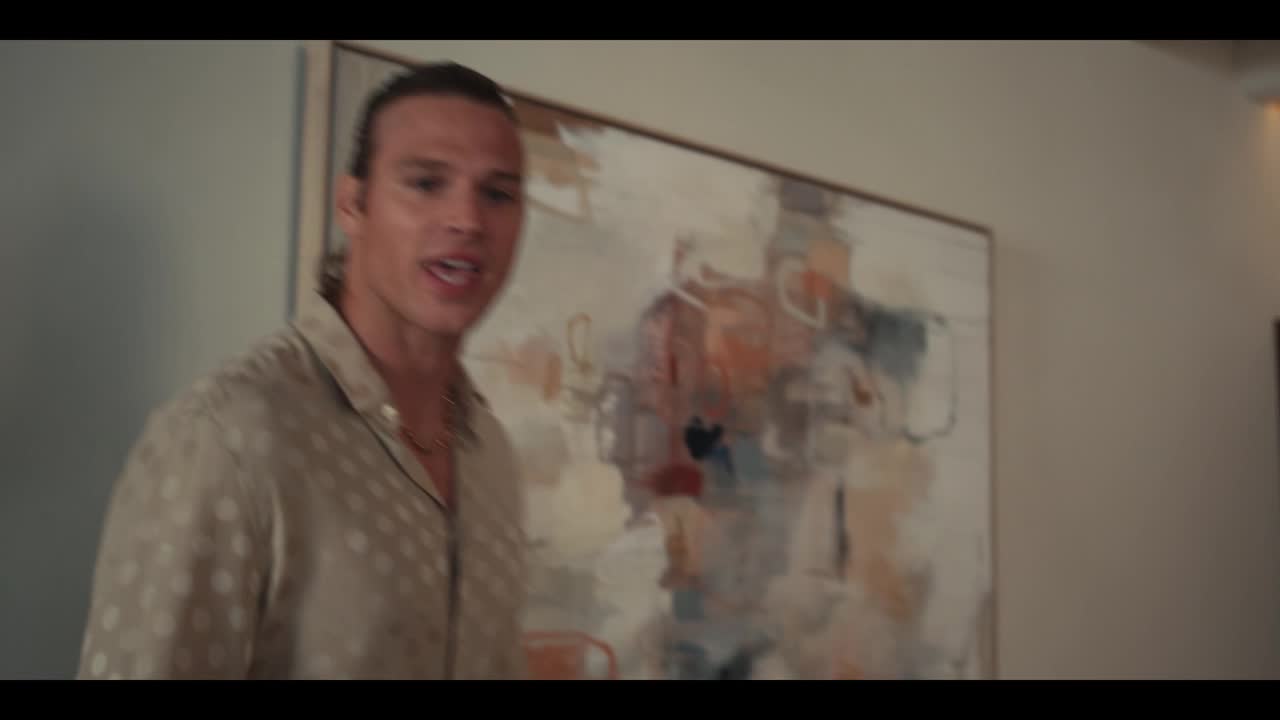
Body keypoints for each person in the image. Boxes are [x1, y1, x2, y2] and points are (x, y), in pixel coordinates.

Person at [75, 61, 530, 679]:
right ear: (353, 205)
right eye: (426, 183)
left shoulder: (491, 455)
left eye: (497, 194)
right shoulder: (227, 439)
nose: (468, 220)